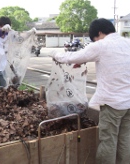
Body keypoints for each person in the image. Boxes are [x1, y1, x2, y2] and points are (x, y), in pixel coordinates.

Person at [49, 18, 130, 164]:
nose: (95, 41)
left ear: (99, 33)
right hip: (128, 102)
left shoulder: (101, 45)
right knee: (125, 139)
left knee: (108, 141)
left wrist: (55, 54)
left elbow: (73, 57)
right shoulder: (127, 42)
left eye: (95, 39)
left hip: (112, 104)